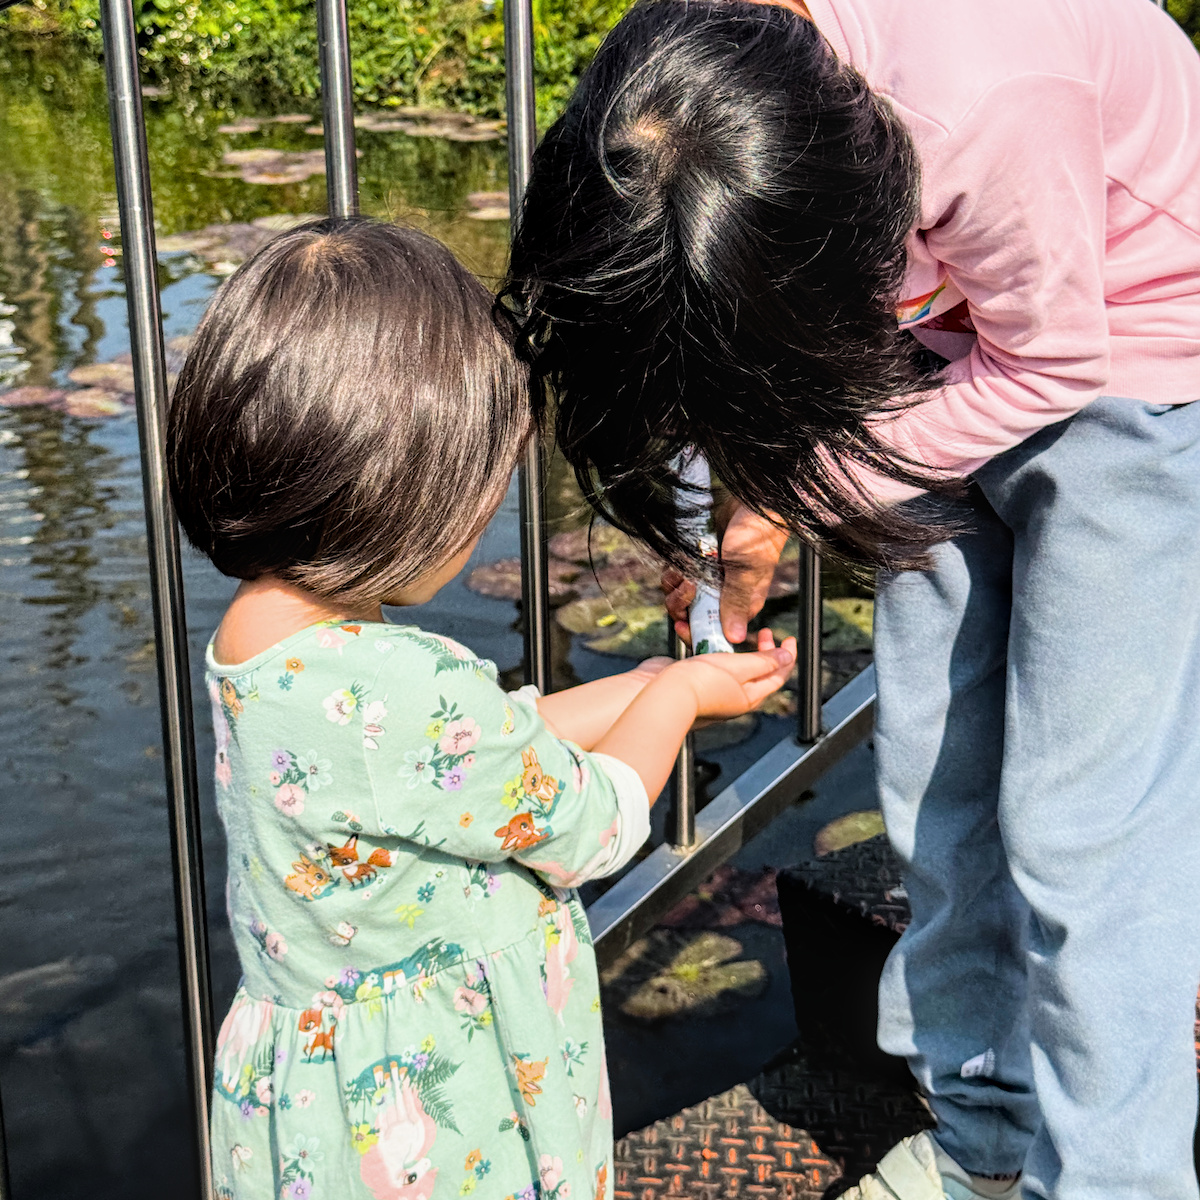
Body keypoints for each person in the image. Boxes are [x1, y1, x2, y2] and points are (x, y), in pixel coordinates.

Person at [501, 1, 1200, 1197]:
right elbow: (713, 301)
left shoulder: (987, 96)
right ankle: (982, 1138)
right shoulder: (693, 77)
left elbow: (1055, 359)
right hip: (939, 348)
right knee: (932, 773)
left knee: (1087, 831)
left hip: (1134, 357)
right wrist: (741, 492)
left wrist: (804, 478)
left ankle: (1112, 1178)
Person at [167, 217, 796, 1200]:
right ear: (404, 486)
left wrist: (634, 688)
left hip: (321, 1100)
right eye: (489, 479)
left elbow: (464, 760)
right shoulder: (405, 682)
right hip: (441, 1109)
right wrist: (673, 698)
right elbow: (589, 828)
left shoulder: (262, 645)